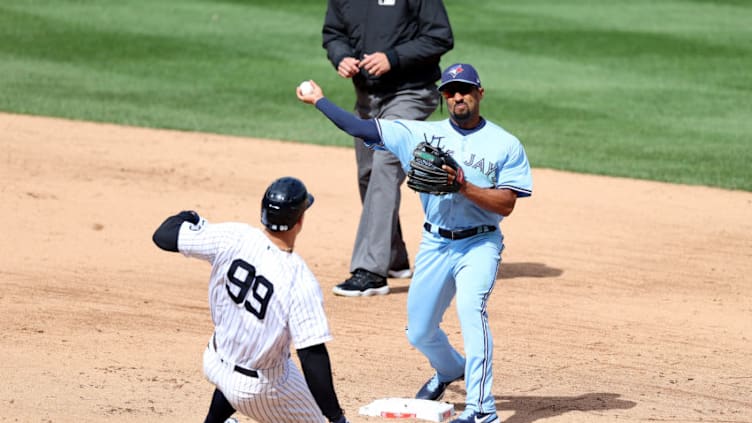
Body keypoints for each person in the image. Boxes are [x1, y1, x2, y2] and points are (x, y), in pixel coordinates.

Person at [296, 63, 533, 423]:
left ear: (479, 93)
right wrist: (320, 101)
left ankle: (482, 411)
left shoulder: (505, 144)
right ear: (443, 97)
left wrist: (463, 187)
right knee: (420, 331)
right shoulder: (417, 134)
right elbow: (358, 127)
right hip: (435, 243)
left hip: (479, 244)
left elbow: (507, 204)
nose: (457, 97)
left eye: (464, 90)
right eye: (450, 91)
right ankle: (450, 369)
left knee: (472, 312)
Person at [151, 177, 350, 423]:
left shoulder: (232, 236)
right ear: (299, 222)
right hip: (260, 388)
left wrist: (190, 216)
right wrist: (336, 418)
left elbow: (164, 235)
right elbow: (312, 355)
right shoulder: (298, 278)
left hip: (214, 360)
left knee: (248, 364)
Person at [322, 0, 454, 296]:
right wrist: (341, 56)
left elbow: (440, 36)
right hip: (367, 98)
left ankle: (370, 270)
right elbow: (333, 33)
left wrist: (393, 58)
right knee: (367, 175)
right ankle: (393, 257)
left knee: (384, 165)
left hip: (410, 94)